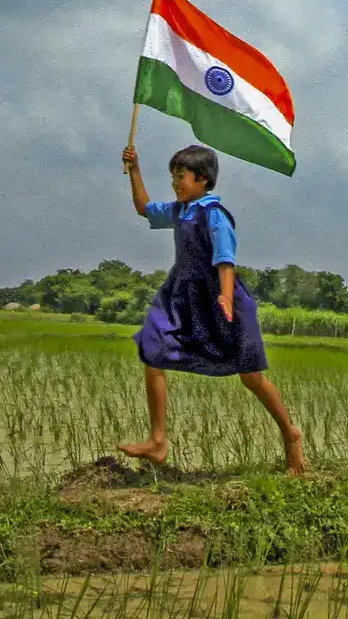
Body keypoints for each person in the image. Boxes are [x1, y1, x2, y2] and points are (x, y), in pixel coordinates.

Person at [118, 143, 304, 474]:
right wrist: (134, 169)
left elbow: (225, 259)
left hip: (221, 299)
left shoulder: (214, 214)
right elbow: (144, 208)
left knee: (251, 376)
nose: (175, 182)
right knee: (151, 347)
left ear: (202, 179)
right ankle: (158, 440)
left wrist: (226, 298)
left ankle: (290, 434)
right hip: (182, 296)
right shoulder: (179, 211)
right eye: (173, 176)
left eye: (181, 176)